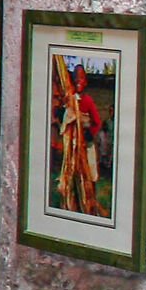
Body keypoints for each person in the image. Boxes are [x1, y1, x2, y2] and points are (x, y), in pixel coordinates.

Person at [53, 55, 104, 216]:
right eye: (75, 78)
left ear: (86, 81)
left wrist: (89, 135)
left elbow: (96, 121)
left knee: (90, 171)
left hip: (86, 143)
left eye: (81, 77)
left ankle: (91, 199)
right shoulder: (70, 101)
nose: (78, 81)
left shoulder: (87, 101)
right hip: (74, 143)